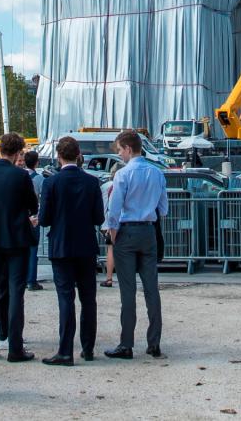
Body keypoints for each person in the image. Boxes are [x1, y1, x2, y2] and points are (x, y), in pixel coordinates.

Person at [37, 136, 105, 366]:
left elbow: (44, 219)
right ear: (79, 155)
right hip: (86, 245)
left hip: (62, 245)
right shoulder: (92, 182)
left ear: (58, 156)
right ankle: (88, 347)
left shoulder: (52, 183)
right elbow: (99, 217)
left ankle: (65, 350)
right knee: (89, 299)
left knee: (66, 298)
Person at [103, 129, 168, 359]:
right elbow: (163, 208)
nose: (120, 155)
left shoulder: (123, 174)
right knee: (152, 289)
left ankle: (126, 343)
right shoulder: (157, 173)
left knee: (127, 292)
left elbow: (114, 209)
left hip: (127, 231)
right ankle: (154, 342)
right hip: (148, 231)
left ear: (128, 149)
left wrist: (113, 232)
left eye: (120, 150)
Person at [0, 132, 38, 362]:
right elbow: (32, 205)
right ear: (18, 151)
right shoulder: (20, 177)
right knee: (15, 292)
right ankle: (15, 346)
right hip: (16, 237)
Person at [23, 150, 46, 291]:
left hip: (21, 216)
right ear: (37, 162)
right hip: (33, 216)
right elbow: (43, 198)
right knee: (33, 249)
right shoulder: (39, 179)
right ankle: (31, 280)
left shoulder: (19, 176)